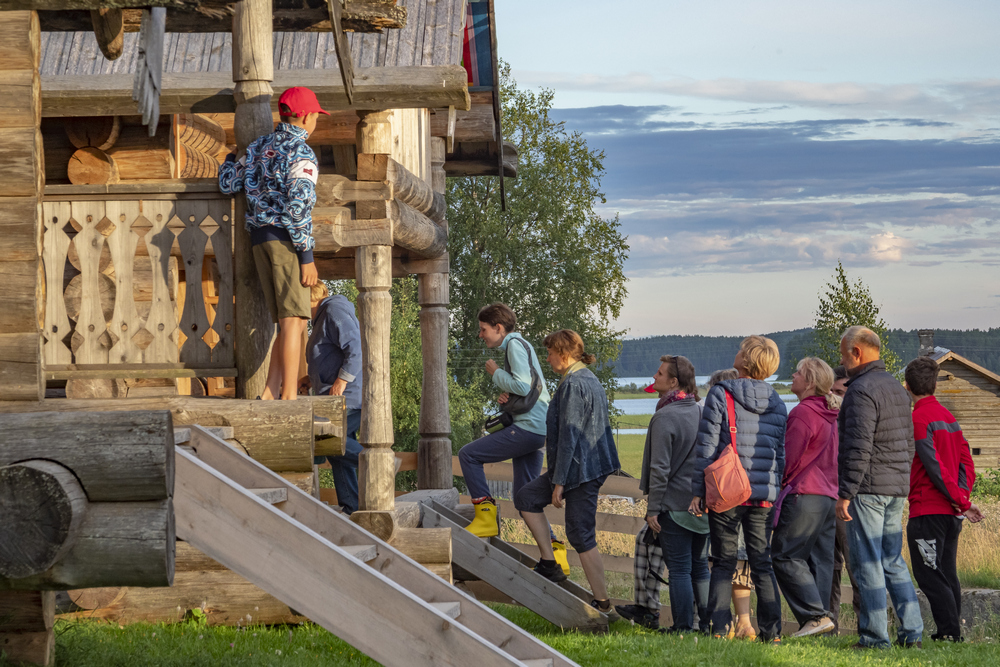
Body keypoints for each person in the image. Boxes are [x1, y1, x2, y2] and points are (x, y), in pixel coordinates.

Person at [218, 86, 326, 400]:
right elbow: (297, 207)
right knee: (294, 319)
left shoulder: (256, 147)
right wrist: (306, 255)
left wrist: (229, 158)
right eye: (316, 115)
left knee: (285, 319)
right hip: (287, 242)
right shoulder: (302, 153)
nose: (317, 121)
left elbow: (228, 182)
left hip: (259, 240)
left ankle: (269, 392)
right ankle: (290, 396)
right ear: (305, 116)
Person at [514, 329, 621, 616]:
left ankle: (604, 605)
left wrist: (558, 481)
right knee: (526, 498)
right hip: (579, 467)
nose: (547, 359)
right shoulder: (587, 378)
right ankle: (550, 563)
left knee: (580, 533)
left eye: (549, 353)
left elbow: (570, 436)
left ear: (563, 354)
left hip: (581, 470)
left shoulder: (574, 383)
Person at [689, 335, 786, 643]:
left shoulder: (721, 393)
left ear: (746, 360)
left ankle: (718, 629)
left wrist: (698, 490)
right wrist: (773, 488)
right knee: (762, 561)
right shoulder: (777, 401)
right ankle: (772, 632)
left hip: (729, 489)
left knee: (723, 561)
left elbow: (706, 445)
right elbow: (779, 453)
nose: (737, 352)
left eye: (741, 350)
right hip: (763, 494)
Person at [837, 325, 923, 649]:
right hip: (897, 487)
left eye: (844, 355)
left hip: (868, 487)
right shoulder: (897, 389)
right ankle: (912, 631)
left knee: (868, 562)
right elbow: (908, 442)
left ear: (856, 352)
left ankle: (874, 636)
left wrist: (845, 493)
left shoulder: (860, 390)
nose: (842, 362)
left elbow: (858, 447)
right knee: (893, 560)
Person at [458, 305, 554, 549]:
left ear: (498, 328)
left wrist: (496, 373)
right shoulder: (524, 345)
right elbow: (529, 387)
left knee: (468, 455)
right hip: (538, 429)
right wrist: (508, 396)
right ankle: (555, 552)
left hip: (528, 428)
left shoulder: (513, 345)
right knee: (524, 498)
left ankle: (485, 517)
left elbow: (522, 386)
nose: (480, 335)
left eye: (483, 329)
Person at [904, 356, 984, 642]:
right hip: (951, 514)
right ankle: (950, 632)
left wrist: (959, 501)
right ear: (935, 385)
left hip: (928, 511)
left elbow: (932, 465)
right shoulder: (950, 419)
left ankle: (950, 633)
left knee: (928, 575)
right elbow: (967, 464)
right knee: (947, 573)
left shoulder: (917, 419)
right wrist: (962, 499)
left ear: (907, 387)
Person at [639, 355, 708, 633]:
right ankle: (708, 625)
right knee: (700, 567)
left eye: (659, 373)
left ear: (673, 381)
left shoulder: (664, 417)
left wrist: (653, 508)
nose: (653, 377)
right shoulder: (702, 412)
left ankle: (682, 627)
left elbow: (659, 469)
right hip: (701, 505)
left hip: (674, 506)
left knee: (679, 569)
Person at [772, 357, 840, 637]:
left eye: (798, 372)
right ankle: (823, 625)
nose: (793, 375)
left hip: (804, 494)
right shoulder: (830, 413)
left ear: (810, 382)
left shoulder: (802, 413)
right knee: (821, 561)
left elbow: (789, 459)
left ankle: (815, 616)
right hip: (828, 496)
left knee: (785, 555)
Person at [302, 283, 362, 514]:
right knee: (337, 451)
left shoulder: (333, 311)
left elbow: (356, 348)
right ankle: (351, 507)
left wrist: (341, 381)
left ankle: (380, 464)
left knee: (323, 436)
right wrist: (310, 379)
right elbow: (330, 355)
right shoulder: (325, 316)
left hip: (348, 396)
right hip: (337, 394)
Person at [828, 364, 860, 633]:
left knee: (855, 563)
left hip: (850, 499)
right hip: (827, 496)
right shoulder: (829, 418)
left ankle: (866, 625)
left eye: (839, 390)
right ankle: (830, 624)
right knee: (829, 565)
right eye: (830, 390)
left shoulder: (856, 420)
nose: (834, 395)